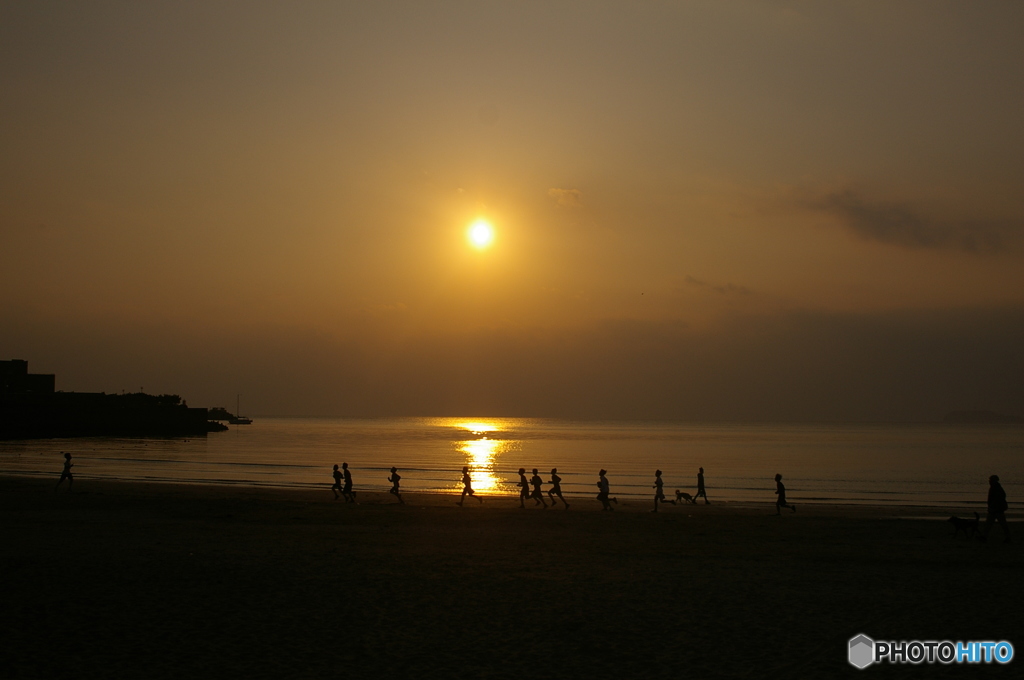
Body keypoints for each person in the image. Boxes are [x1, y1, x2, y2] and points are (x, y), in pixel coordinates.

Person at [981, 475, 1010, 543]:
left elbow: (997, 499)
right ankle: (984, 537)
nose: (989, 481)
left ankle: (1008, 537)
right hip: (995, 509)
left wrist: (992, 506)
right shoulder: (995, 487)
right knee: (989, 524)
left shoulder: (996, 488)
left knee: (1002, 524)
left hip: (996, 509)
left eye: (991, 480)